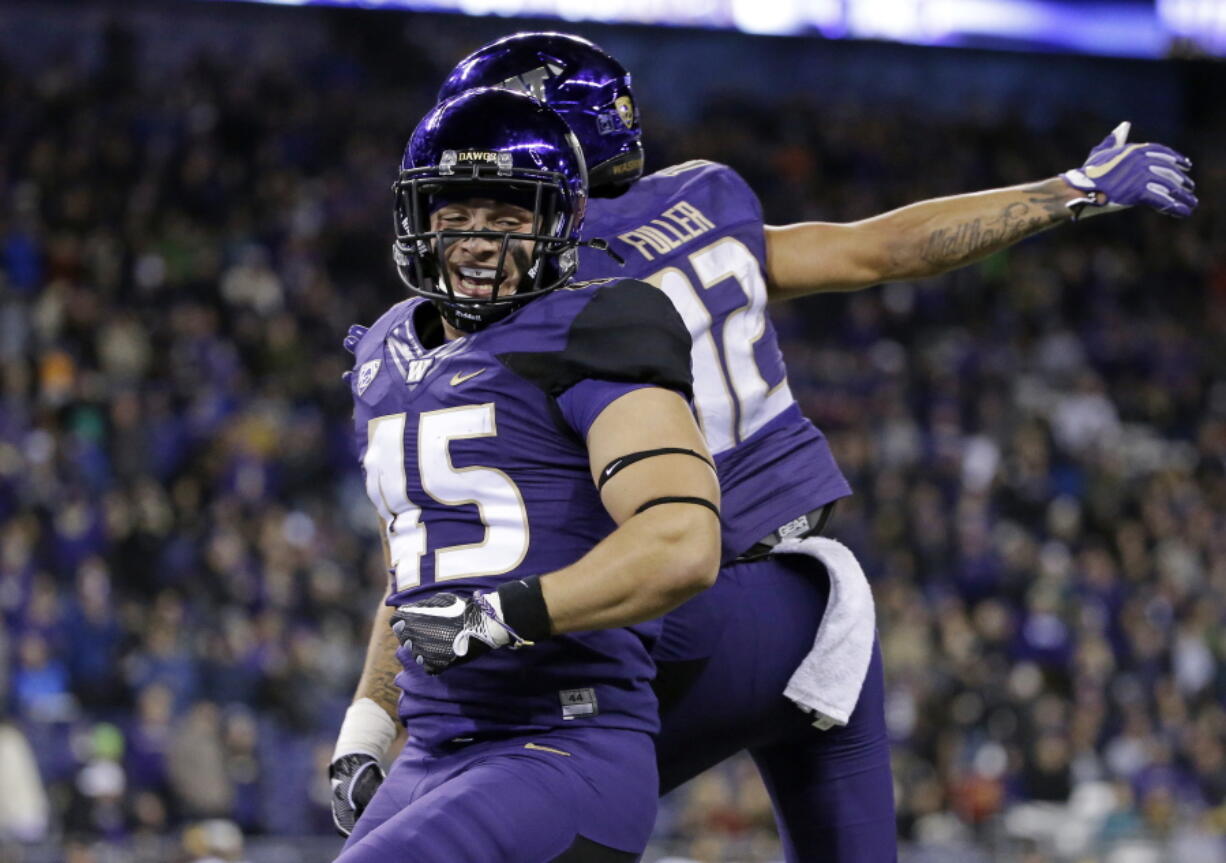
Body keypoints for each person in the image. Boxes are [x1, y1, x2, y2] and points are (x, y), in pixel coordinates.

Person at [333, 33, 1199, 862]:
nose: (479, 220)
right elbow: (874, 249)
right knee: (824, 644)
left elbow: (439, 545)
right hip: (736, 583)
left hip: (660, 586)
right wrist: (1069, 189)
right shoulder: (698, 206)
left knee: (522, 756)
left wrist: (376, 722)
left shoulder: (547, 298)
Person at [330, 86, 722, 863]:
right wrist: (369, 723)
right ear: (420, 218)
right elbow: (412, 570)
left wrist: (498, 615)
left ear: (561, 224)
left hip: (563, 743)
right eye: (458, 217)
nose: (479, 243)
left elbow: (681, 540)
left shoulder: (595, 326)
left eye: (509, 219)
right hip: (436, 753)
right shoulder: (383, 353)